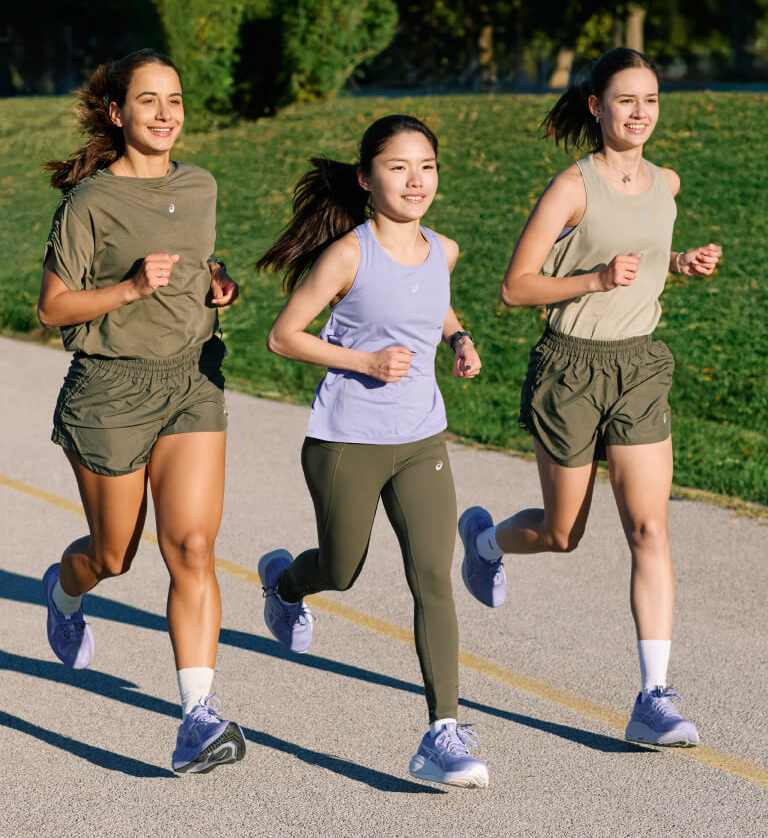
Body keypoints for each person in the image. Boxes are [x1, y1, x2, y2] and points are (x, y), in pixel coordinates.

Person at [458, 48, 722, 747]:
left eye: (652, 100)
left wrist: (680, 263)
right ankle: (484, 539)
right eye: (626, 100)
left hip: (638, 367)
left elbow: (642, 253)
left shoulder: (665, 182)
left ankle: (654, 696)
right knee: (561, 532)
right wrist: (596, 281)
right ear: (596, 107)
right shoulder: (571, 188)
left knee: (649, 528)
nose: (641, 113)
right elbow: (516, 286)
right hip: (569, 368)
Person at [255, 115, 489, 787]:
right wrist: (363, 359)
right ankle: (284, 581)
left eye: (428, 167)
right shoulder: (349, 254)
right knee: (342, 567)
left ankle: (443, 730)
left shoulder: (441, 249)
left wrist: (459, 337)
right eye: (398, 167)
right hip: (345, 440)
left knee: (433, 578)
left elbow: (433, 303)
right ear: (367, 178)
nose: (416, 180)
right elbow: (283, 336)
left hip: (421, 437)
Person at [37, 49, 246, 774]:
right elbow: (52, 307)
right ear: (118, 113)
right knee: (113, 555)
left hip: (191, 380)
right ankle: (63, 591)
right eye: (149, 101)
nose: (166, 113)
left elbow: (201, 263)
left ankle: (198, 718)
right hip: (110, 393)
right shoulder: (89, 201)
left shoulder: (200, 184)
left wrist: (221, 284)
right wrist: (126, 290)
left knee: (189, 545)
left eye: (176, 100)